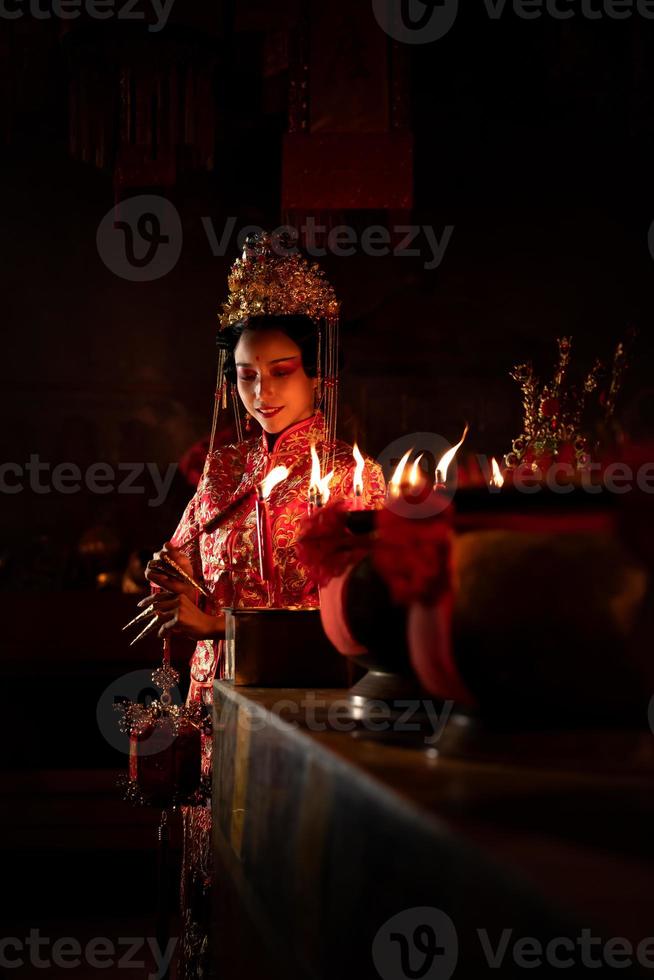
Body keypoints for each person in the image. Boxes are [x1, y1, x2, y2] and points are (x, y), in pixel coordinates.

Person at [143, 233, 386, 977]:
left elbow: (362, 627)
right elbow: (181, 561)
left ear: (317, 374)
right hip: (210, 703)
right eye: (246, 376)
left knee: (283, 898)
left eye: (281, 372)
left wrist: (218, 623)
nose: (262, 393)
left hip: (300, 717)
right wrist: (166, 577)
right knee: (207, 894)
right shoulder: (219, 469)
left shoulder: (353, 478)